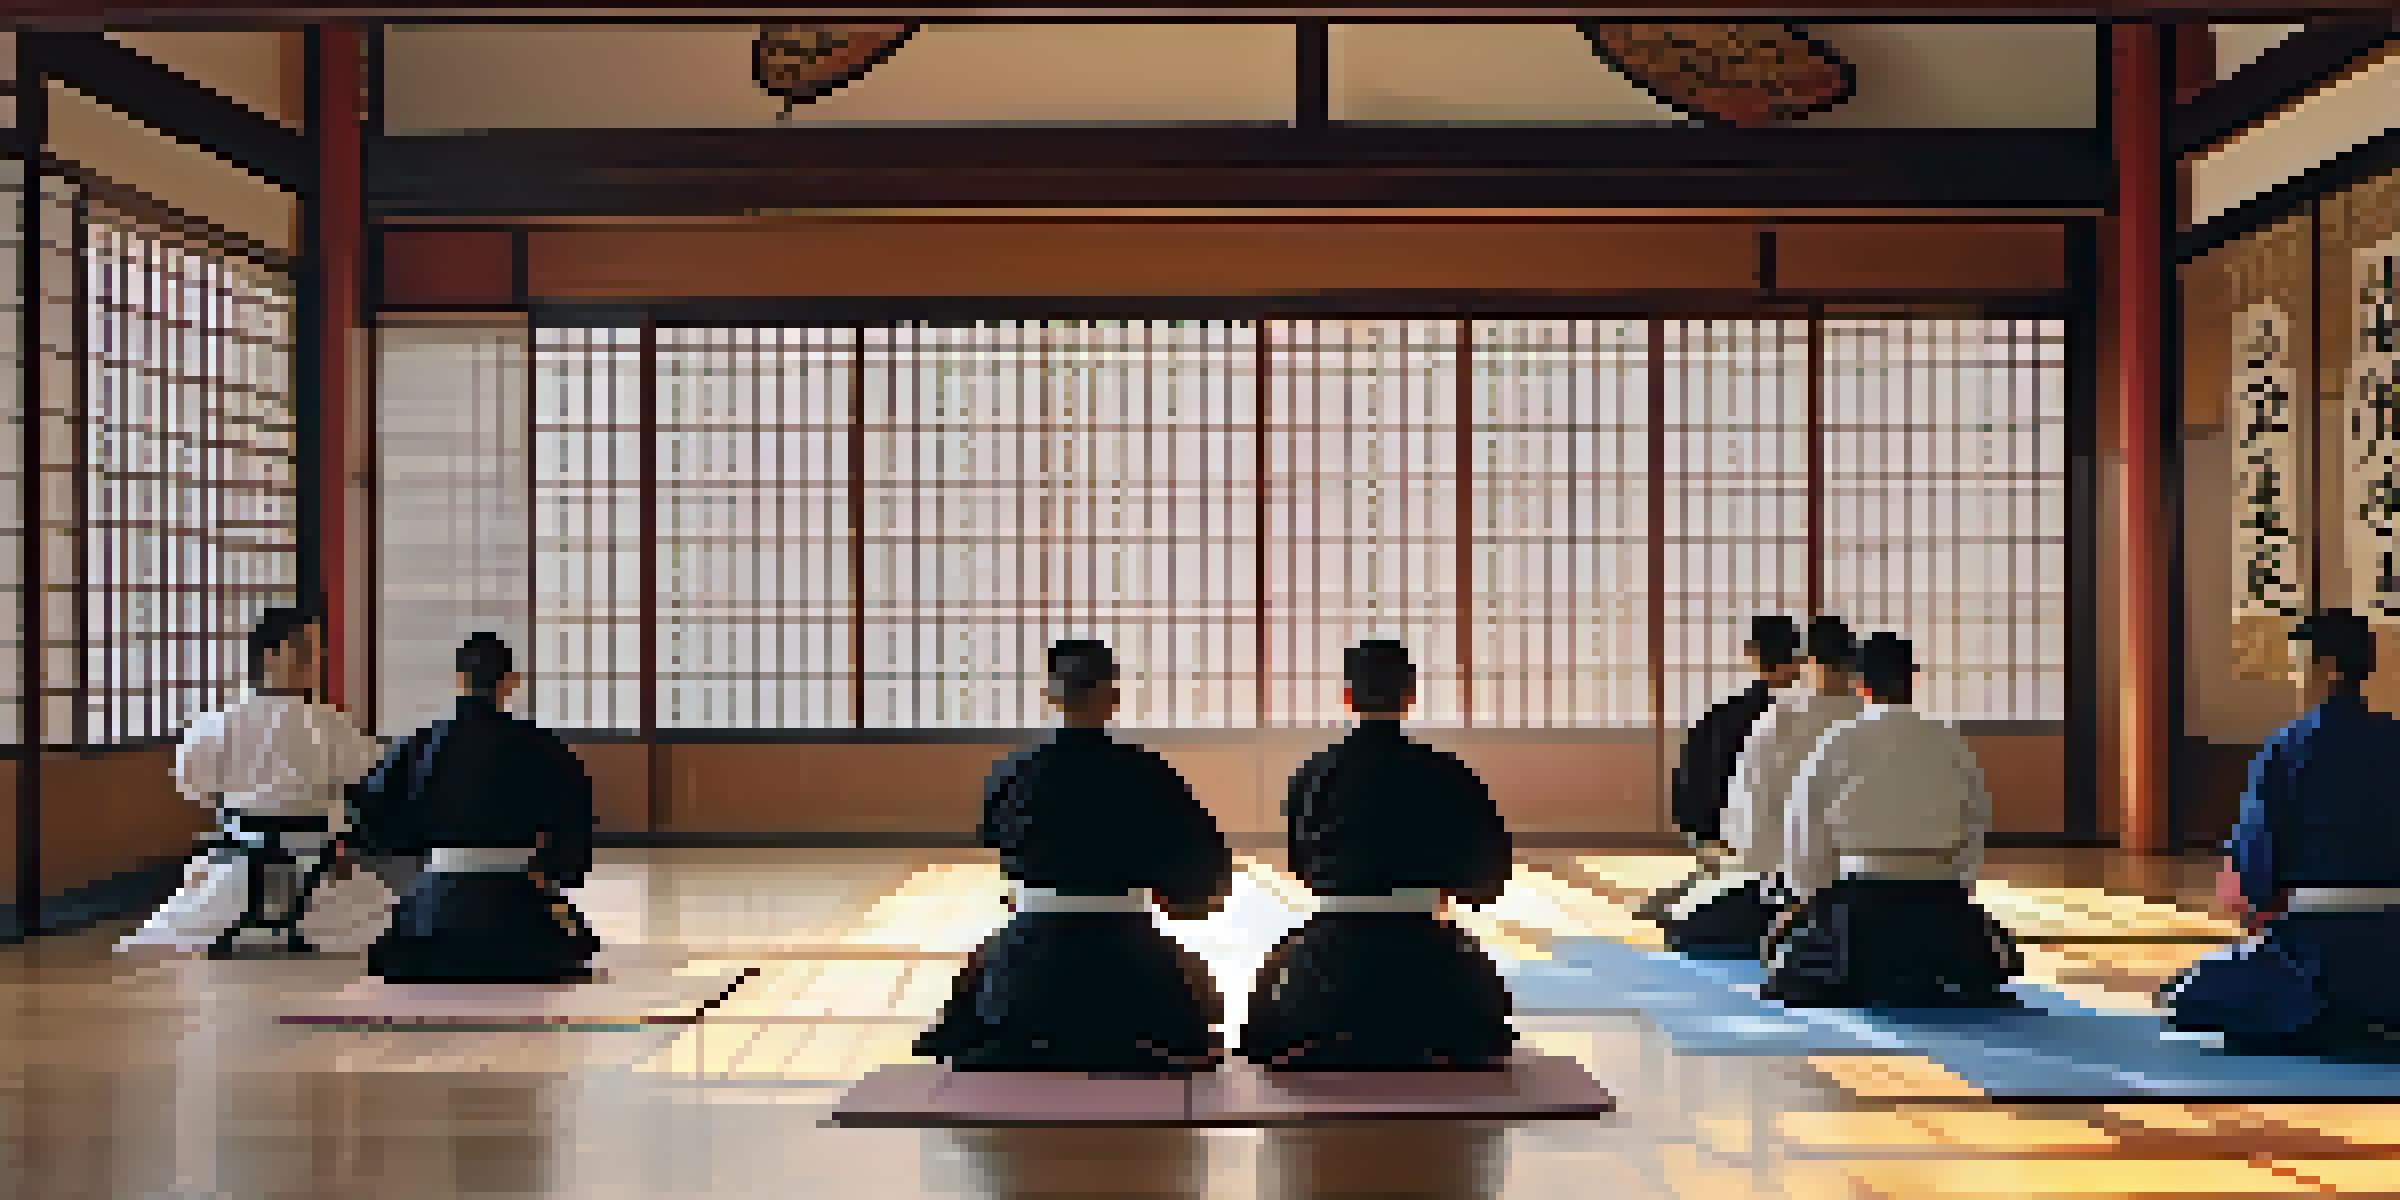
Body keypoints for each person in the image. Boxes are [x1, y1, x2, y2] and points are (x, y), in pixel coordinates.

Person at [915, 639, 1233, 1073]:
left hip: (1027, 963)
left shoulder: (1010, 774)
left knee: (985, 969)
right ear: (1113, 695)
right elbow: (1202, 882)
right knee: (1199, 1005)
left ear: (1052, 695)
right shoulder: (1149, 774)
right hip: (1128, 958)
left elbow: (1006, 862)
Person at [1239, 640, 1517, 1070]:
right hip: (1426, 953)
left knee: (1277, 1012)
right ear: (1410, 695)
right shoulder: (1447, 773)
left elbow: (1302, 869)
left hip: (1329, 959)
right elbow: (1486, 882)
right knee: (1482, 1029)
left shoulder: (1313, 775)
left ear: (1347, 696)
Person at [2161, 609, 2400, 1057]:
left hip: (2315, 945)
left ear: (2328, 668)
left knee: (2186, 991)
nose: (2295, 678)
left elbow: (2256, 871)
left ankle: (2322, 1016)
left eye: (2299, 665)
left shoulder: (2289, 747)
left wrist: (2258, 899)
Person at [1762, 632, 2019, 1008]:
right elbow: (1975, 822)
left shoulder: (1839, 739)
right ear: (1911, 680)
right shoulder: (1948, 740)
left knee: (1791, 964)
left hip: (1862, 903)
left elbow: (1804, 826)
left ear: (1860, 684)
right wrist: (1957, 885)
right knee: (1989, 961)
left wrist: (1809, 898)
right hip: (1938, 900)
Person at [120, 606, 389, 957]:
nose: (315, 660)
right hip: (313, 867)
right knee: (374, 921)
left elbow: (193, 786)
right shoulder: (333, 725)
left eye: (317, 651)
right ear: (270, 653)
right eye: (303, 649)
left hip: (238, 865)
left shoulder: (216, 722)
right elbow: (369, 780)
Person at [353, 632, 603, 984]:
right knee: (571, 943)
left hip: (433, 911)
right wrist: (552, 871)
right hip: (515, 902)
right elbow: (574, 821)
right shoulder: (542, 746)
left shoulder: (419, 745)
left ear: (459, 679)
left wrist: (417, 861)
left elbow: (372, 813)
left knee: (401, 949)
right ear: (511, 682)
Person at [1668, 615, 1865, 956]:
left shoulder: (1774, 715)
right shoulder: (1873, 717)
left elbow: (1731, 811)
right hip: (1864, 883)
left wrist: (1719, 848)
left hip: (1768, 873)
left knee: (1693, 917)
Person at [1639, 615, 1804, 935]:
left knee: (1696, 914)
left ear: (1752, 654)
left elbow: (1689, 793)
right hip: (1801, 857)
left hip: (1730, 849)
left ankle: (1698, 892)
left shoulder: (1720, 718)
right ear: (1801, 661)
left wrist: (1709, 841)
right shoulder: (1823, 720)